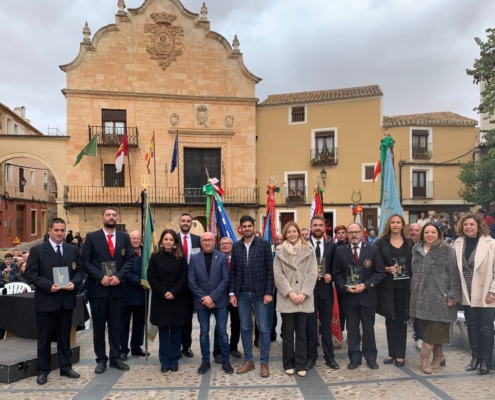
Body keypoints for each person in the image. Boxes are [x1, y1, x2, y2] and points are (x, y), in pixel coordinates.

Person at [24, 217, 85, 385]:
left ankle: (66, 367)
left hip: (66, 299)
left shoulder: (72, 249)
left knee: (64, 335)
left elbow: (80, 270)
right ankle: (43, 370)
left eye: (62, 230)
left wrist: (75, 283)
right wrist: (49, 286)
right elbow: (30, 273)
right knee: (44, 336)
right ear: (49, 231)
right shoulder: (37, 250)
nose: (59, 233)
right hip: (46, 300)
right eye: (56, 230)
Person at [82, 207, 134, 374]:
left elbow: (130, 259)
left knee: (116, 326)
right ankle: (101, 359)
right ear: (101, 218)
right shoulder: (91, 237)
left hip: (118, 289)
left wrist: (119, 275)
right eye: (108, 215)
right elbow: (85, 262)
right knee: (98, 327)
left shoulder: (124, 237)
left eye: (114, 215)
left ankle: (115, 358)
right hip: (98, 289)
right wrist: (100, 277)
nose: (111, 217)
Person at [409, 222, 461, 374]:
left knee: (433, 331)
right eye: (427, 232)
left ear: (439, 234)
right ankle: (439, 356)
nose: (430, 235)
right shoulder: (416, 250)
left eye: (433, 232)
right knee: (429, 331)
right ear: (422, 234)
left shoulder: (447, 251)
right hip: (420, 298)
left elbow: (455, 275)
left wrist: (453, 295)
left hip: (440, 297)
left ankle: (424, 359)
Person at [332, 223, 386, 370]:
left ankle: (370, 358)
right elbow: (336, 273)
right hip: (349, 297)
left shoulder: (373, 250)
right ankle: (354, 358)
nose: (353, 235)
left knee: (368, 329)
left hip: (367, 296)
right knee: (353, 329)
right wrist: (345, 287)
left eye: (356, 232)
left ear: (362, 233)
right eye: (351, 233)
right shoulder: (340, 251)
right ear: (347, 235)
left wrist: (366, 285)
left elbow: (380, 272)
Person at [229, 215, 274, 378]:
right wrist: (232, 293)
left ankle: (264, 362)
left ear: (254, 226)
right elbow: (233, 272)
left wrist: (269, 292)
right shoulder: (236, 246)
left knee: (263, 327)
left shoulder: (263, 244)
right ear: (240, 228)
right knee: (245, 327)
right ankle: (249, 360)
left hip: (260, 293)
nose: (247, 228)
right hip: (241, 294)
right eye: (244, 226)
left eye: (249, 226)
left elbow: (270, 270)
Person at [273, 221, 317, 377]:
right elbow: (278, 275)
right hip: (288, 299)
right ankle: (288, 363)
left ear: (298, 233)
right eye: (288, 232)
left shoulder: (309, 250)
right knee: (287, 331)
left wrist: (303, 293)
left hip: (304, 298)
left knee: (302, 332)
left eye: (294, 231)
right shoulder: (279, 252)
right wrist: (291, 293)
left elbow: (313, 273)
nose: (292, 234)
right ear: (285, 234)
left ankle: (301, 363)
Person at [454, 213, 495, 375]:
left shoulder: (490, 244)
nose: (468, 227)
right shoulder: (458, 243)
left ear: (479, 226)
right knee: (471, 326)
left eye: (472, 224)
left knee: (485, 327)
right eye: (465, 225)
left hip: (486, 292)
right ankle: (475, 358)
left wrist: (493, 291)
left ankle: (486, 360)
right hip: (467, 291)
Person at [189, 232, 234, 375]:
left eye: (210, 240)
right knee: (203, 332)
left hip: (220, 301)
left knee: (222, 332)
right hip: (201, 302)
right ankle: (205, 361)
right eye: (204, 240)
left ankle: (226, 361)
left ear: (214, 242)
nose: (207, 242)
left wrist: (212, 297)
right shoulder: (194, 258)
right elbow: (191, 281)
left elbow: (225, 279)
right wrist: (205, 298)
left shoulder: (221, 257)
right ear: (201, 242)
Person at [375, 215, 413, 367]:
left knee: (401, 321)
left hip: (405, 288)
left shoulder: (410, 243)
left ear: (403, 225)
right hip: (387, 288)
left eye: (398, 222)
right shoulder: (380, 243)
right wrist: (386, 269)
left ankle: (400, 355)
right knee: (390, 320)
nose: (395, 225)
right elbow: (375, 264)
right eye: (393, 222)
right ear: (388, 225)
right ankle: (391, 353)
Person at [148, 229, 189, 373]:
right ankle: (164, 361)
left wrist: (174, 292)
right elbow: (151, 277)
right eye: (166, 239)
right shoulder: (154, 257)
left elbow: (185, 276)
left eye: (171, 240)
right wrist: (164, 292)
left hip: (177, 299)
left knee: (176, 331)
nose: (168, 242)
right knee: (164, 332)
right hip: (161, 300)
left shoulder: (181, 257)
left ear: (175, 242)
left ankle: (174, 360)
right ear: (161, 241)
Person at [306, 215, 340, 371]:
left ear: (325, 227)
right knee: (311, 326)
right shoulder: (304, 245)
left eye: (321, 225)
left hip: (326, 291)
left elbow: (336, 267)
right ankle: (311, 357)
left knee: (326, 326)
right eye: (315, 225)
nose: (318, 227)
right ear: (311, 227)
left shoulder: (332, 246)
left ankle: (329, 357)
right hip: (309, 292)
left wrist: (331, 275)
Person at [120, 231, 148, 361]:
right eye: (133, 238)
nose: (136, 240)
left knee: (139, 324)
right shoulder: (123, 253)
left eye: (138, 238)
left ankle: (136, 347)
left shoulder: (147, 253)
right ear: (129, 239)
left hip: (142, 295)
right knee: (124, 323)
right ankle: (123, 350)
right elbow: (124, 272)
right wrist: (140, 282)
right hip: (126, 294)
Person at [213, 237, 241, 363]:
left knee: (236, 323)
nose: (225, 246)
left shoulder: (237, 258)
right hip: (221, 297)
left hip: (236, 296)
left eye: (227, 244)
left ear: (232, 245)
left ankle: (233, 347)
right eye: (222, 244)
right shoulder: (216, 259)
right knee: (220, 325)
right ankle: (217, 351)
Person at [177, 213, 201, 359]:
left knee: (188, 317)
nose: (185, 223)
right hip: (177, 284)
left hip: (192, 285)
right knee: (176, 316)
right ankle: (176, 346)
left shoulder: (197, 240)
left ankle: (187, 346)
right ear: (179, 222)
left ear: (191, 223)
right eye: (183, 221)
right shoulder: (173, 239)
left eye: (188, 221)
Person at [408, 223, 423, 350]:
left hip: (421, 283)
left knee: (420, 310)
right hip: (407, 282)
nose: (414, 232)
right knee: (414, 311)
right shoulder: (406, 244)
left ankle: (420, 337)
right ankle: (418, 335)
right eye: (411, 230)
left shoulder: (425, 245)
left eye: (417, 230)